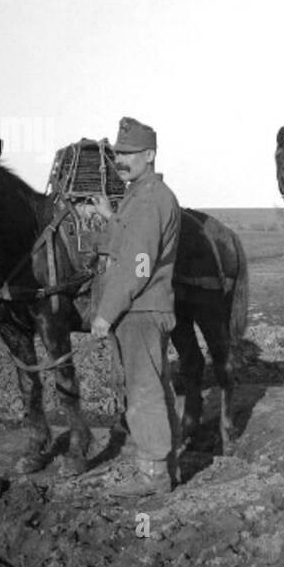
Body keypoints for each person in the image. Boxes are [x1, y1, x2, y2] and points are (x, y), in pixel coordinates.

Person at [91, 117, 182, 496]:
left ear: (149, 154)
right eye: (117, 154)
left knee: (143, 392)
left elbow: (137, 265)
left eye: (128, 153)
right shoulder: (142, 195)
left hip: (141, 311)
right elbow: (133, 240)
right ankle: (166, 467)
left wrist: (105, 313)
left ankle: (153, 476)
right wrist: (112, 217)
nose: (120, 160)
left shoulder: (147, 199)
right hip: (146, 309)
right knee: (155, 388)